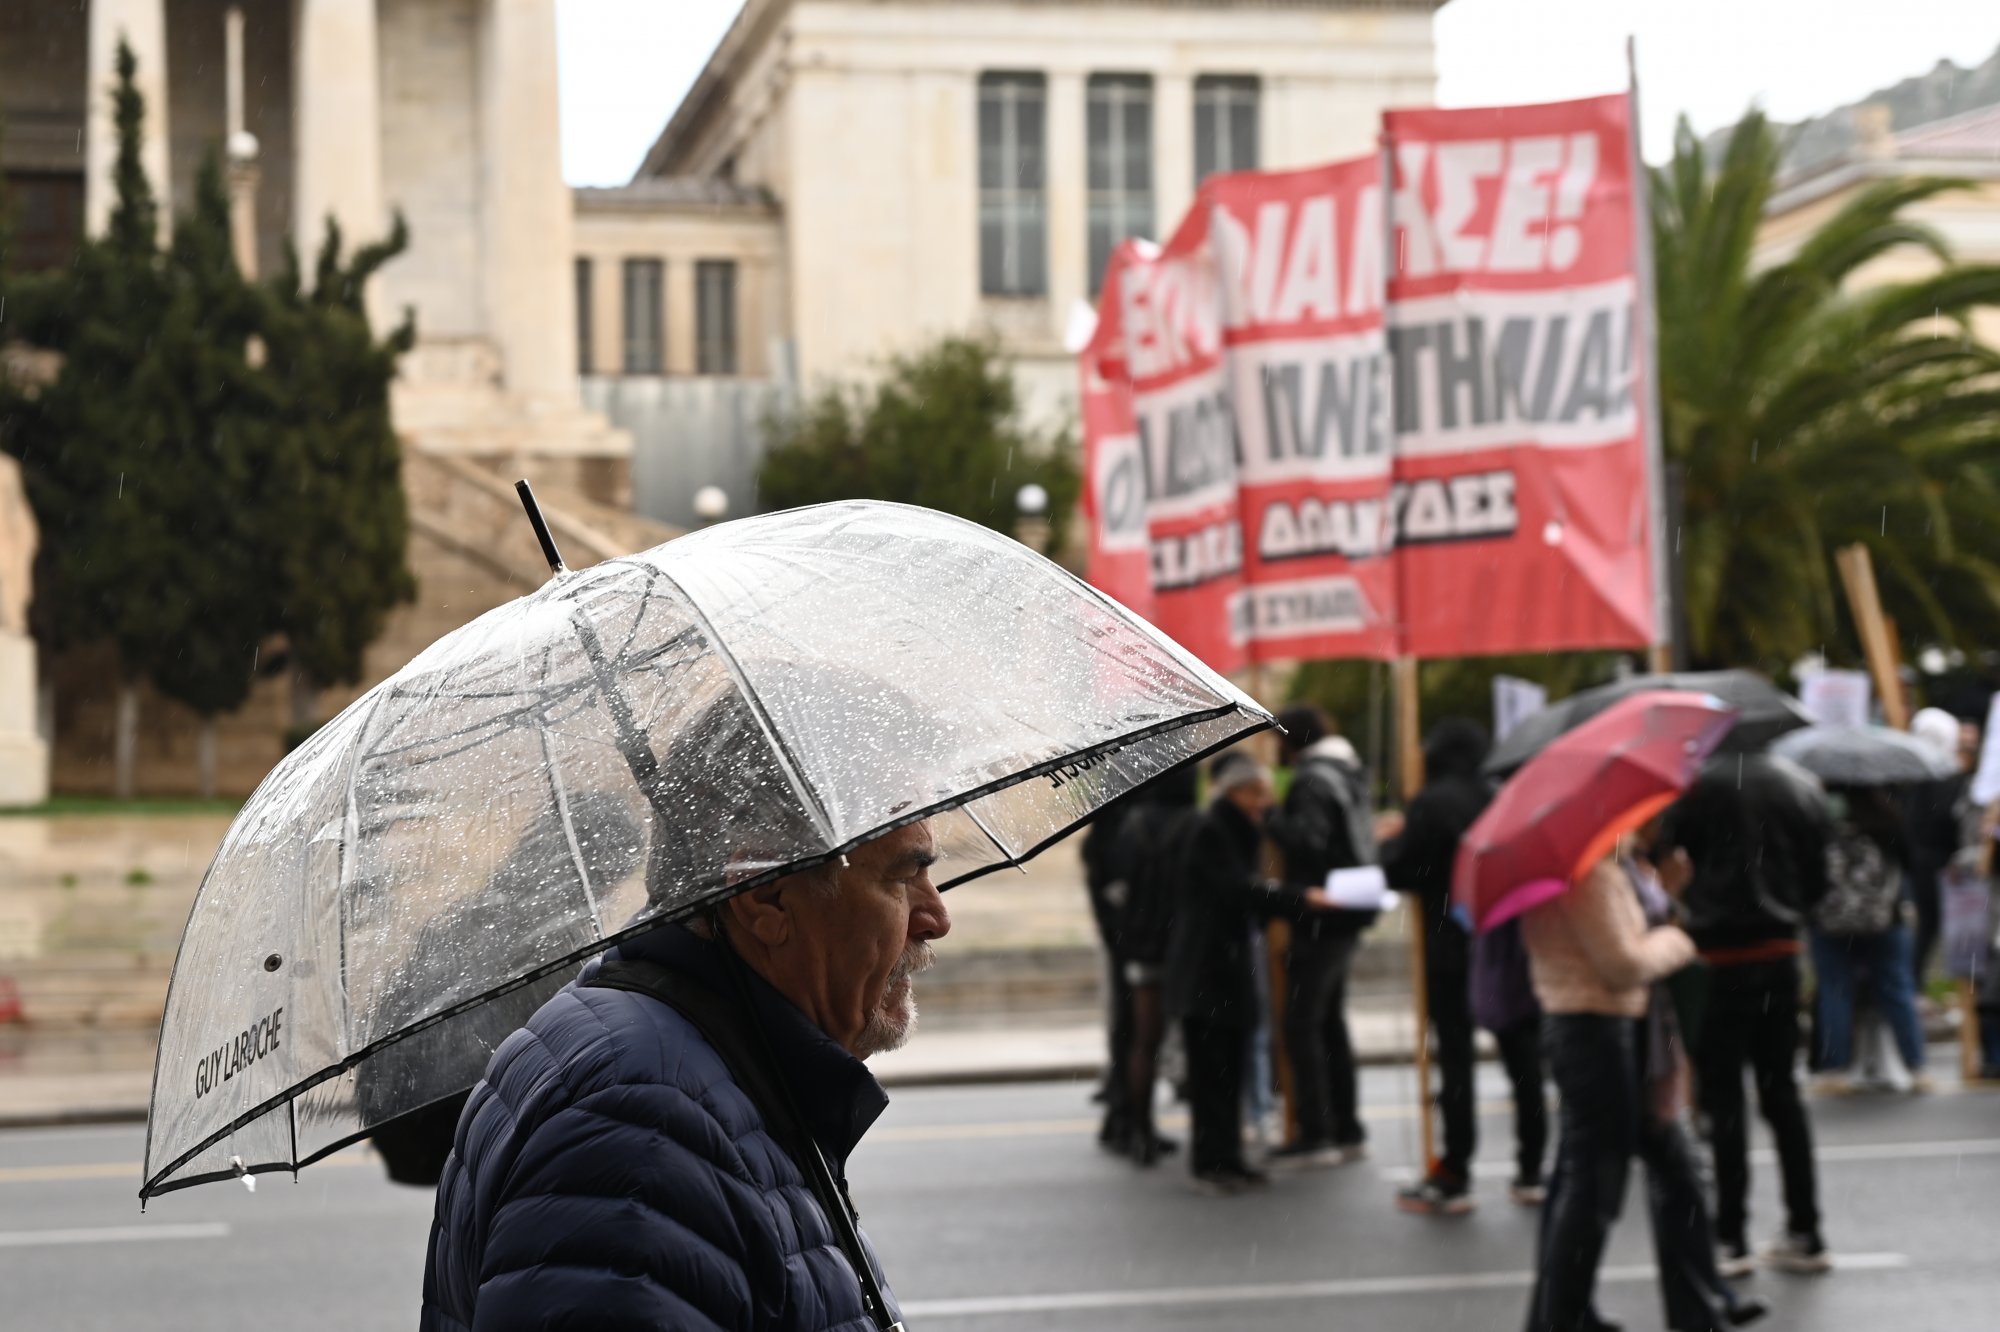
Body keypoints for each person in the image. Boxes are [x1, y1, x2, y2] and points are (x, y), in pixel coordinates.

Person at [421, 820, 948, 1331]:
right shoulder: (645, 1125)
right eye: (903, 877)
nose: (937, 917)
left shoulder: (710, 1070)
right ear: (766, 897)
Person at [1521, 840, 1766, 1332]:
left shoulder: (1600, 867)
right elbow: (1622, 965)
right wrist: (1679, 942)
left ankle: (1693, 1304)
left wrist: (1662, 891)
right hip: (1597, 1031)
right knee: (1596, 1184)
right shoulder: (1587, 873)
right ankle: (1564, 1317)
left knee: (1634, 1174)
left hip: (1612, 1030)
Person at [1661, 754, 1832, 1276]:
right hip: (1779, 954)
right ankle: (1806, 1228)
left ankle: (1730, 1235)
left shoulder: (1694, 791)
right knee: (1783, 1095)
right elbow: (1819, 879)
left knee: (1723, 1101)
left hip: (1717, 958)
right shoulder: (1799, 786)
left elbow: (1667, 863)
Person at [1167, 750, 1334, 1195]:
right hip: (1209, 972)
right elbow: (1236, 890)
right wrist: (1299, 898)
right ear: (1237, 792)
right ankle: (1211, 1162)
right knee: (1212, 1075)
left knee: (1230, 1071)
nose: (1266, 801)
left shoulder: (1235, 828)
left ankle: (1229, 1158)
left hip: (1224, 968)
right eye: (1258, 792)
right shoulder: (1213, 830)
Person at [1379, 717, 1527, 1213]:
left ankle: (1456, 1169)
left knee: (1456, 1059)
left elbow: (1405, 870)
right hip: (1502, 939)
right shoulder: (1501, 796)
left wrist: (1391, 846)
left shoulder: (1431, 802)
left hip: (1447, 943)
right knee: (1521, 1052)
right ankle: (1532, 1167)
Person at [1266, 705, 1379, 1172]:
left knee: (1302, 1024)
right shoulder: (1346, 771)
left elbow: (1308, 841)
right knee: (1329, 1022)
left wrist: (1271, 818)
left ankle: (1317, 1132)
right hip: (1352, 905)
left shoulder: (1313, 779)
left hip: (1325, 913)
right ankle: (1345, 1126)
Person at [1808, 783, 1930, 1093]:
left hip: (1830, 921)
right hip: (1884, 918)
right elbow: (1910, 861)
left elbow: (1804, 868)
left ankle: (1834, 1069)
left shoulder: (1818, 818)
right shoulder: (1885, 817)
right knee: (1897, 988)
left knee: (1834, 989)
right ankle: (1916, 1066)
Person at [1108, 764, 1202, 1164]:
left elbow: (1118, 883)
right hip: (1188, 947)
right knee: (1200, 1042)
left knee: (1145, 1044)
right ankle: (1208, 1137)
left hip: (1143, 945)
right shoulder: (1196, 825)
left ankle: (1141, 1131)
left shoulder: (1134, 824)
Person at [1906, 708, 1974, 988]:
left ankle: (1917, 981)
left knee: (1928, 927)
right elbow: (1949, 820)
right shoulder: (1948, 778)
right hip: (1942, 863)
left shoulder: (1911, 777)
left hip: (1920, 860)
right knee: (1948, 930)